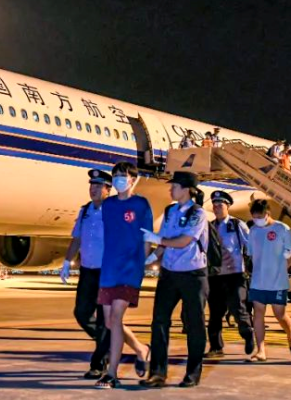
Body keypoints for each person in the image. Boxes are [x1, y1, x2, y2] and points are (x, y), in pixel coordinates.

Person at [141, 171, 210, 388]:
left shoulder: (198, 213)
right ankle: (157, 373)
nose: (171, 189)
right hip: (169, 273)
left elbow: (183, 241)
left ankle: (193, 373)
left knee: (194, 324)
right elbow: (165, 241)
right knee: (159, 322)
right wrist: (151, 257)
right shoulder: (170, 211)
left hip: (193, 275)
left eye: (175, 186)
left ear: (187, 189)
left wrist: (157, 239)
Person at [95, 161, 153, 388]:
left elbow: (147, 237)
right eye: (116, 175)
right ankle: (141, 349)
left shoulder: (141, 204)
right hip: (109, 269)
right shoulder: (108, 205)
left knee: (117, 318)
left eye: (123, 175)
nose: (119, 179)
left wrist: (141, 264)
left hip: (130, 269)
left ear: (133, 179)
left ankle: (111, 373)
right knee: (111, 322)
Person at [61, 168, 113, 379]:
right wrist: (67, 261)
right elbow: (77, 239)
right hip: (87, 271)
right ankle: (106, 344)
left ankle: (98, 363)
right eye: (92, 185)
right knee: (81, 313)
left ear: (108, 189)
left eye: (98, 186)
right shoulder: (85, 211)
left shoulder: (113, 211)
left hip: (106, 272)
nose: (93, 189)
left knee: (103, 320)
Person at [245, 199, 291, 361]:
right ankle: (261, 350)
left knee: (279, 314)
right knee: (258, 314)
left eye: (259, 216)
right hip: (258, 281)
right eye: (254, 217)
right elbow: (251, 254)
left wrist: (283, 268)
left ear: (267, 214)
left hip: (277, 281)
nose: (257, 220)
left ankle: (290, 336)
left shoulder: (282, 229)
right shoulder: (253, 231)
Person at [206, 190, 253, 358]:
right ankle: (216, 347)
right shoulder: (209, 226)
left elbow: (250, 245)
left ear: (228, 206)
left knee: (238, 308)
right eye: (215, 205)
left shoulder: (237, 224)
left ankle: (248, 334)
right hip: (215, 275)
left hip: (235, 274)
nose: (217, 207)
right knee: (215, 313)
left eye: (220, 205)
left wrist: (249, 266)